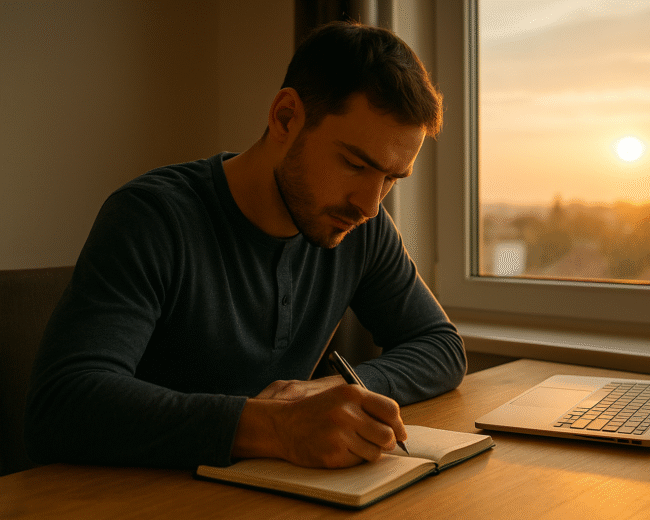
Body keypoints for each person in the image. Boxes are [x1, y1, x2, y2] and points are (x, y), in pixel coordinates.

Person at [24, 21, 466, 470]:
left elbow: (441, 346)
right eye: (354, 164)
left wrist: (338, 388)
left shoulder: (360, 227)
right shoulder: (153, 216)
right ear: (285, 117)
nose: (370, 205)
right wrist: (277, 426)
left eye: (391, 178)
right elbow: (64, 402)